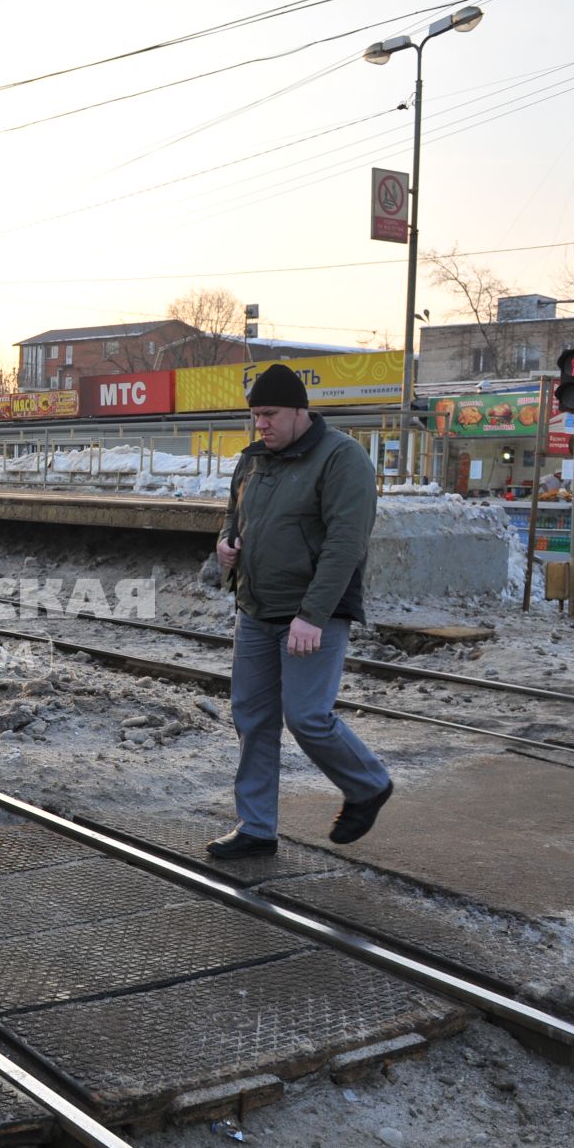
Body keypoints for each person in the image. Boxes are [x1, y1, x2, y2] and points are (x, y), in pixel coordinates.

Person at [210, 364, 393, 858]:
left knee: (308, 716)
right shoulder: (252, 461)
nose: (260, 425)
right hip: (257, 609)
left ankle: (368, 783)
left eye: (268, 414)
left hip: (313, 614)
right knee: (252, 719)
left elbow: (346, 544)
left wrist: (313, 615)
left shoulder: (342, 459)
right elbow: (234, 518)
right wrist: (225, 548)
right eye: (255, 416)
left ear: (299, 410)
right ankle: (255, 827)